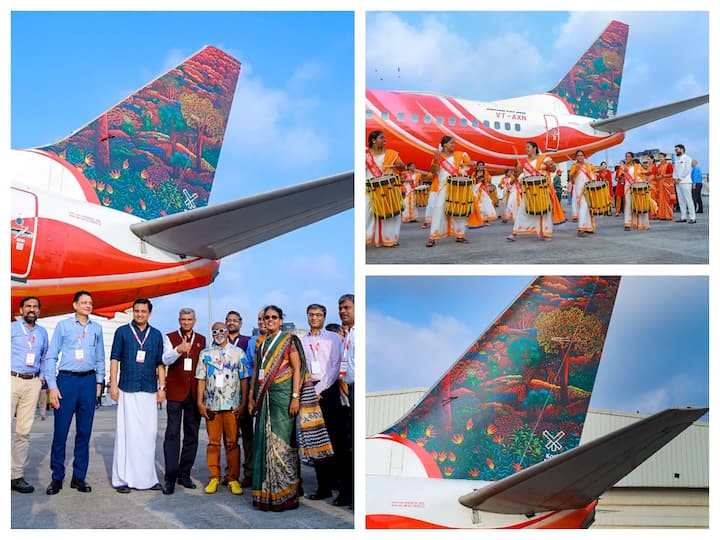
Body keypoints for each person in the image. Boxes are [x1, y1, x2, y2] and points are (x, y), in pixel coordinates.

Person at [248, 305, 333, 511]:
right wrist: (251, 397)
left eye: (274, 317)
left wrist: (295, 397)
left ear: (280, 320)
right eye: (266, 317)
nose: (269, 320)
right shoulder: (261, 343)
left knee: (283, 443)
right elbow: (256, 373)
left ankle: (285, 494)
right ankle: (265, 494)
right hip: (264, 398)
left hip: (284, 398)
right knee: (263, 443)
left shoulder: (289, 341)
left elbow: (297, 369)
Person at [44, 290, 105, 495]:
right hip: (66, 381)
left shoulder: (96, 328)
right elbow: (51, 356)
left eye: (90, 302)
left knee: (84, 433)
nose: (88, 305)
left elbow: (100, 358)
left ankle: (79, 477)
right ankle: (57, 477)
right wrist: (52, 386)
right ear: (75, 305)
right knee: (60, 433)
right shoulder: (63, 327)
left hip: (88, 381)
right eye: (84, 302)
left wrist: (99, 383)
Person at [109, 298, 166, 493]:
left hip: (149, 389)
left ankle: (147, 479)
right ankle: (122, 479)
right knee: (127, 435)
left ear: (149, 313)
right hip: (127, 389)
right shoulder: (122, 332)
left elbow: (160, 364)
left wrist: (162, 387)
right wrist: (113, 386)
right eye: (136, 311)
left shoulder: (157, 335)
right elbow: (115, 359)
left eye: (143, 311)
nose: (139, 314)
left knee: (148, 436)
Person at [196, 322, 249, 495]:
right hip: (212, 405)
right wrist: (200, 402)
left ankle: (233, 478)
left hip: (232, 405)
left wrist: (242, 404)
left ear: (227, 332)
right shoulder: (205, 353)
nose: (219, 334)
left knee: (232, 443)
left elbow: (243, 379)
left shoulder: (238, 353)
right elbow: (201, 378)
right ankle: (214, 477)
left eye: (222, 330)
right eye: (215, 331)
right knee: (213, 443)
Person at [300, 304, 344, 503]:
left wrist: (320, 389)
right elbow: (301, 368)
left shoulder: (333, 338)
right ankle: (322, 487)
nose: (314, 318)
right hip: (309, 390)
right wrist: (308, 390)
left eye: (318, 315)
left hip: (329, 390)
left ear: (325, 317)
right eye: (311, 315)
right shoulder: (302, 340)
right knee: (315, 439)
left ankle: (339, 484)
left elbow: (335, 366)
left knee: (333, 438)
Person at [160, 307, 207, 494]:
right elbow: (164, 359)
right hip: (175, 393)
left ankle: (184, 474)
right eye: (183, 319)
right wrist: (178, 350)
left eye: (189, 319)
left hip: (194, 394)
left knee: (191, 436)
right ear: (179, 320)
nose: (186, 322)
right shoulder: (169, 337)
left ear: (194, 320)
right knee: (172, 434)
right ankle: (170, 477)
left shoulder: (202, 340)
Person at [11, 296, 49, 493]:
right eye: (28, 306)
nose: (31, 310)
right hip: (11, 379)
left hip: (32, 382)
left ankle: (15, 475)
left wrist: (41, 379)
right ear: (21, 309)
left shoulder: (42, 332)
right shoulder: (11, 327)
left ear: (39, 311)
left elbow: (44, 357)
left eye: (35, 307)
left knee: (23, 432)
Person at [506, 141, 565, 242]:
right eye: (526, 147)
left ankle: (545, 233)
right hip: (529, 191)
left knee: (545, 212)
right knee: (522, 210)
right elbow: (517, 175)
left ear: (534, 148)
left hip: (542, 190)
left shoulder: (544, 159)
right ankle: (514, 233)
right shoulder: (523, 162)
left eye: (528, 147)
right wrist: (517, 175)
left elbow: (553, 169)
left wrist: (550, 164)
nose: (526, 149)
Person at [426, 136, 476, 247]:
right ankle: (433, 236)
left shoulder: (460, 155)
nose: (454, 145)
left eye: (454, 143)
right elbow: (433, 172)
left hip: (458, 186)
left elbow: (471, 163)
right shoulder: (439, 156)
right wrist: (435, 158)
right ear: (444, 145)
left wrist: (470, 163)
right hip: (444, 186)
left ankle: (460, 235)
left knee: (459, 210)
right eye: (451, 143)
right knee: (439, 210)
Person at [225, 310, 254, 487]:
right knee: (229, 437)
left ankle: (249, 472)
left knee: (247, 437)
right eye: (229, 320)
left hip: (243, 393)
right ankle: (230, 472)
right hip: (225, 396)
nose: (231, 323)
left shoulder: (247, 342)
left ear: (241, 324)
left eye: (235, 320)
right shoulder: (219, 340)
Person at [366, 130, 405, 247]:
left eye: (384, 138)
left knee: (392, 216)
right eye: (381, 138)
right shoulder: (365, 155)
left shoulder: (392, 154)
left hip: (389, 189)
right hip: (370, 189)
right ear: (373, 141)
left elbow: (402, 167)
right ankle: (365, 239)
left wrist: (400, 166)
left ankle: (390, 239)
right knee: (367, 215)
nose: (384, 140)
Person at [336, 294, 355, 509]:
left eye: (347, 307)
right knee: (346, 447)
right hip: (347, 390)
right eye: (341, 308)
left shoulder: (358, 335)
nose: (343, 311)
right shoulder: (347, 336)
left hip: (355, 388)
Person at [569, 150, 596, 237]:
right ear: (576, 157)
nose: (580, 157)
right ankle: (581, 228)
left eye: (581, 155)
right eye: (578, 156)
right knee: (583, 208)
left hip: (588, 189)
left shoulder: (588, 165)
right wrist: (576, 170)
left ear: (584, 156)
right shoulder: (574, 166)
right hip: (579, 190)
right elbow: (571, 178)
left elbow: (594, 173)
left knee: (588, 208)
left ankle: (588, 227)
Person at [621, 152, 650, 231]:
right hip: (628, 188)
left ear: (632, 158)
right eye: (626, 156)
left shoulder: (638, 166)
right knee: (628, 205)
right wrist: (623, 173)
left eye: (629, 156)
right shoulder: (623, 167)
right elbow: (620, 179)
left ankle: (641, 223)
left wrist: (647, 167)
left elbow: (647, 173)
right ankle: (627, 224)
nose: (627, 158)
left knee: (639, 204)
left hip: (637, 187)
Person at [467, 161, 497, 229]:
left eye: (482, 165)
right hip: (476, 190)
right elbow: (471, 181)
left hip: (483, 190)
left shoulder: (485, 173)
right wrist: (477, 178)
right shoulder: (474, 173)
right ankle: (480, 219)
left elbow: (489, 180)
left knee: (486, 204)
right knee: (478, 205)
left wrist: (484, 179)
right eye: (479, 165)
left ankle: (488, 220)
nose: (480, 167)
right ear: (477, 166)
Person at [672, 145, 696, 224]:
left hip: (685, 181)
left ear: (682, 149)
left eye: (677, 149)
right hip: (677, 182)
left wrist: (680, 178)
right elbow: (675, 170)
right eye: (675, 149)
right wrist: (674, 178)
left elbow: (687, 170)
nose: (675, 151)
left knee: (688, 200)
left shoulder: (687, 158)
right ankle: (683, 217)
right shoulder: (677, 159)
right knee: (681, 200)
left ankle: (693, 217)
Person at [655, 153, 675, 220]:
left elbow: (671, 174)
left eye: (661, 157)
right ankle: (662, 215)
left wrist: (663, 176)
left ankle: (669, 215)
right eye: (659, 157)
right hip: (660, 184)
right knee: (661, 200)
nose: (660, 159)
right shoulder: (659, 166)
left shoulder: (669, 164)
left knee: (667, 199)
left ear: (664, 157)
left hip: (667, 184)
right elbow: (657, 174)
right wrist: (657, 177)